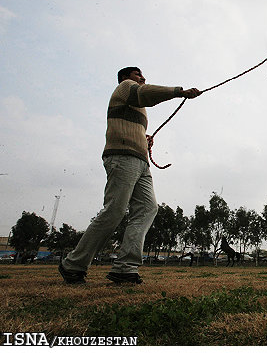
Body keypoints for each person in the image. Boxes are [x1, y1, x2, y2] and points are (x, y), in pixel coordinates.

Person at [58, 67, 201, 284]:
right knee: (114, 211)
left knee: (148, 208)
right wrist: (179, 92)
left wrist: (144, 139)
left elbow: (132, 119)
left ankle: (125, 267)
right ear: (125, 78)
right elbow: (145, 94)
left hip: (140, 162)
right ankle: (73, 264)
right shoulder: (125, 88)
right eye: (137, 74)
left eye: (142, 75)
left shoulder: (137, 104)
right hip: (123, 158)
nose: (143, 77)